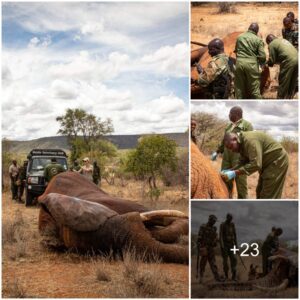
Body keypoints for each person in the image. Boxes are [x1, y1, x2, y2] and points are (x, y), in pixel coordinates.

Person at [221, 131, 289, 199]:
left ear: (235, 139)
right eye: (229, 149)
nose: (232, 150)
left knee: (268, 195)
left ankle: (269, 209)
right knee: (259, 191)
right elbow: (242, 162)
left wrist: (235, 173)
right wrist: (231, 170)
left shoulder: (249, 140)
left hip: (277, 161)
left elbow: (256, 164)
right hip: (266, 165)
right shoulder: (241, 144)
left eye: (231, 146)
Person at [211, 106, 253, 199]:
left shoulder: (247, 126)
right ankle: (228, 200)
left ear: (236, 114)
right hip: (226, 158)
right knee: (225, 180)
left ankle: (242, 202)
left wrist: (247, 158)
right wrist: (217, 151)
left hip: (239, 158)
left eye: (230, 113)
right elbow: (224, 141)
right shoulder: (228, 126)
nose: (228, 115)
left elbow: (249, 142)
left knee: (240, 182)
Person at [234, 23, 266, 99]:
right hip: (252, 65)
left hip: (239, 63)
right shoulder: (258, 40)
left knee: (239, 89)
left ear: (249, 28)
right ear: (257, 31)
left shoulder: (239, 37)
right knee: (255, 90)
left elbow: (236, 51)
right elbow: (262, 56)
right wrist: (260, 61)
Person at [266, 34, 298, 99]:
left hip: (288, 61)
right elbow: (282, 54)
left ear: (269, 41)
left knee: (284, 81)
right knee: (292, 81)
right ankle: (290, 97)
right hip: (297, 59)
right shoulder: (282, 40)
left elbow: (272, 60)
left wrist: (267, 63)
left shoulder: (272, 44)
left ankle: (280, 98)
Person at [197, 215, 221, 283]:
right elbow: (199, 237)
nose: (214, 222)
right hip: (204, 247)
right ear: (210, 220)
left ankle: (217, 277)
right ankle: (201, 278)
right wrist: (199, 245)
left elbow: (216, 237)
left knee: (213, 263)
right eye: (213, 221)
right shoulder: (203, 227)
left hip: (211, 248)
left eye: (215, 221)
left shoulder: (214, 228)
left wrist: (216, 241)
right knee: (203, 264)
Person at [219, 213, 238, 281]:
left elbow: (235, 235)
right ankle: (226, 276)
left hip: (231, 245)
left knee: (234, 259)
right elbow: (220, 236)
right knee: (225, 262)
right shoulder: (222, 225)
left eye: (231, 218)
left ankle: (234, 276)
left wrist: (236, 246)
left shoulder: (232, 225)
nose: (230, 219)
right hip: (225, 246)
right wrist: (222, 246)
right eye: (229, 218)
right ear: (227, 218)